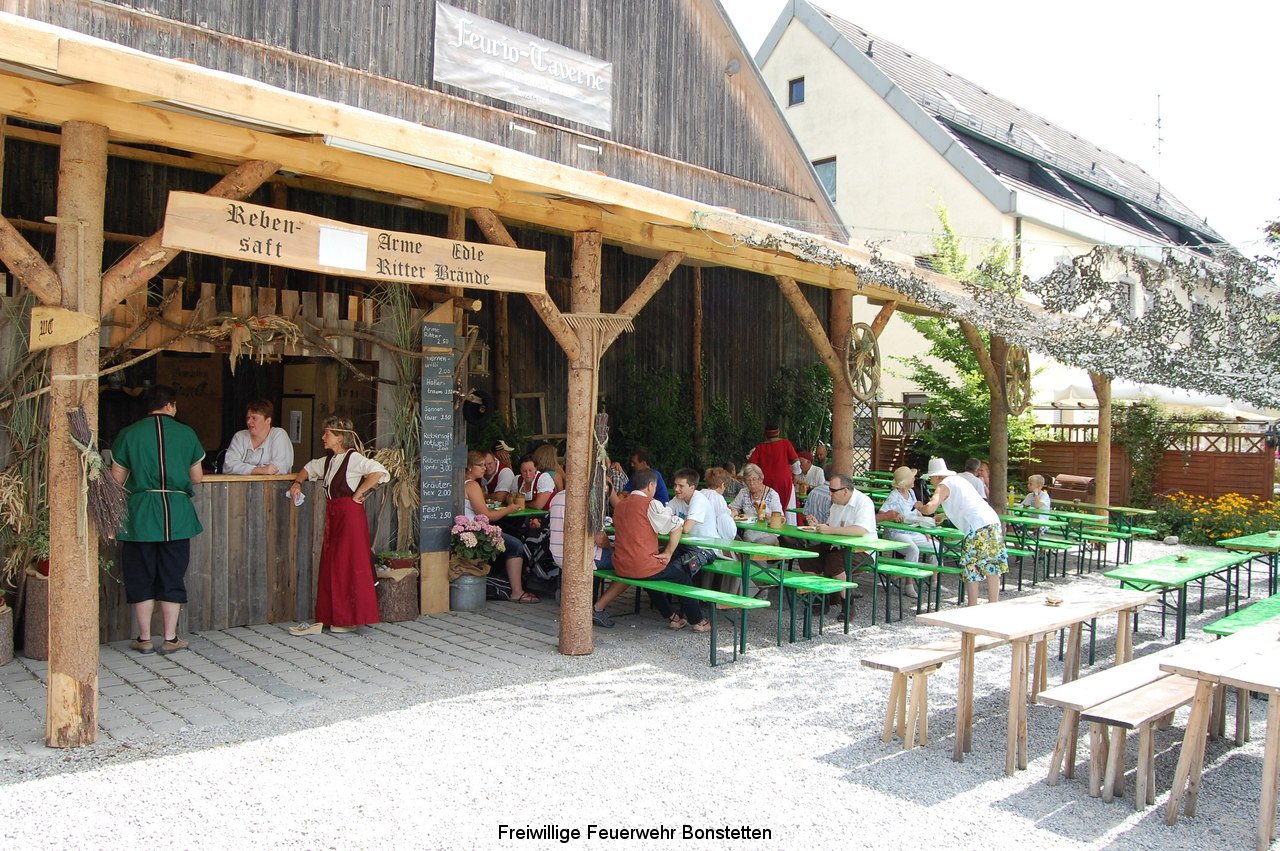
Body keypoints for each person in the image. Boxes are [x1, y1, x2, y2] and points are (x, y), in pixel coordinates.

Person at [111, 385, 206, 654]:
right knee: (172, 575)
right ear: (169, 405)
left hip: (139, 515)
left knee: (140, 575)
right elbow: (197, 477)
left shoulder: (128, 434)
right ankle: (170, 638)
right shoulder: (187, 433)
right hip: (176, 515)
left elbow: (116, 480)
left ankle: (143, 638)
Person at [286, 417, 388, 635]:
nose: (323, 437)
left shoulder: (354, 458)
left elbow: (379, 471)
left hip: (350, 517)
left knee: (348, 564)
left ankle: (349, 619)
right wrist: (297, 483)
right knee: (332, 564)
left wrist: (360, 491)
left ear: (340, 437)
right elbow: (307, 468)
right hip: (334, 516)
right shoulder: (329, 461)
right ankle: (333, 616)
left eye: (328, 433)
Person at [592, 469, 710, 632]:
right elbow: (677, 526)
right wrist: (668, 553)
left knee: (651, 578)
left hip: (620, 564)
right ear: (650, 486)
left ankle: (673, 618)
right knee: (682, 576)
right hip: (642, 566)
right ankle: (698, 621)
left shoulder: (620, 505)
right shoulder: (651, 504)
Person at [920, 457, 1008, 606]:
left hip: (975, 526)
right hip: (991, 521)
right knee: (992, 566)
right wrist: (943, 515)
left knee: (971, 568)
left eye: (931, 478)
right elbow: (966, 503)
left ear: (937, 476)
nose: (931, 481)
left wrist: (920, 507)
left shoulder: (943, 485)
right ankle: (994, 605)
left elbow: (930, 508)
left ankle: (972, 607)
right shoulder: (959, 480)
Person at [455, 450, 538, 603]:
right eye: (480, 465)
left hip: (467, 530)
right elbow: (486, 515)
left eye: (485, 465)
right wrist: (509, 509)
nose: (484, 468)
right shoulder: (472, 485)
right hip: (475, 532)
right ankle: (517, 592)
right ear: (470, 467)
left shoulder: (460, 483)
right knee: (516, 546)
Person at [665, 468, 720, 573]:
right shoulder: (677, 498)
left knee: (677, 569)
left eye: (681, 486)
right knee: (657, 561)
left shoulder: (699, 500)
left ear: (692, 488)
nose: (676, 489)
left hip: (705, 548)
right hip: (685, 545)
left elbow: (686, 528)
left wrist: (670, 524)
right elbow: (662, 517)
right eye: (675, 485)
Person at [880, 466, 934, 569]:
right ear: (906, 482)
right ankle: (909, 578)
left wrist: (925, 530)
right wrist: (893, 516)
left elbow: (917, 513)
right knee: (913, 550)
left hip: (912, 531)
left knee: (937, 548)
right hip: (897, 533)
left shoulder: (911, 493)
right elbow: (882, 512)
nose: (914, 479)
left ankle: (934, 577)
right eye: (912, 478)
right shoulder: (894, 496)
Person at [222, 399, 294, 475]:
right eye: (248, 418)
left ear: (268, 421)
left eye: (254, 418)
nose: (248, 422)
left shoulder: (279, 435)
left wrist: (243, 469)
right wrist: (260, 470)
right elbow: (228, 466)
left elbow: (280, 468)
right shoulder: (240, 436)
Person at [748, 424, 800, 510]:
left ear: (765, 434)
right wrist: (796, 474)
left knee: (766, 507)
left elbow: (751, 465)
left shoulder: (760, 447)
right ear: (778, 432)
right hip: (784, 481)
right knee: (788, 508)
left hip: (765, 481)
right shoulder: (785, 443)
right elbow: (795, 463)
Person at [729, 463, 784, 544]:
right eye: (748, 480)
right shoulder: (743, 492)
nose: (751, 483)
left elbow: (781, 519)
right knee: (739, 543)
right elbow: (732, 508)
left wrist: (765, 515)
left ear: (761, 479)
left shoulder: (772, 495)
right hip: (749, 534)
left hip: (768, 534)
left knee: (756, 546)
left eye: (754, 479)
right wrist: (734, 512)